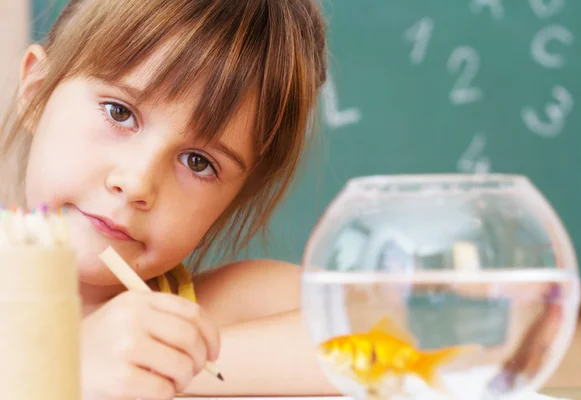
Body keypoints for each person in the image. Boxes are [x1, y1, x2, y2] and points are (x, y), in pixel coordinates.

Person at [0, 0, 337, 399]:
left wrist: (159, 365)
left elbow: (407, 336)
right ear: (37, 91)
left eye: (198, 162)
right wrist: (61, 365)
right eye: (119, 112)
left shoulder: (215, 311)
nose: (139, 182)